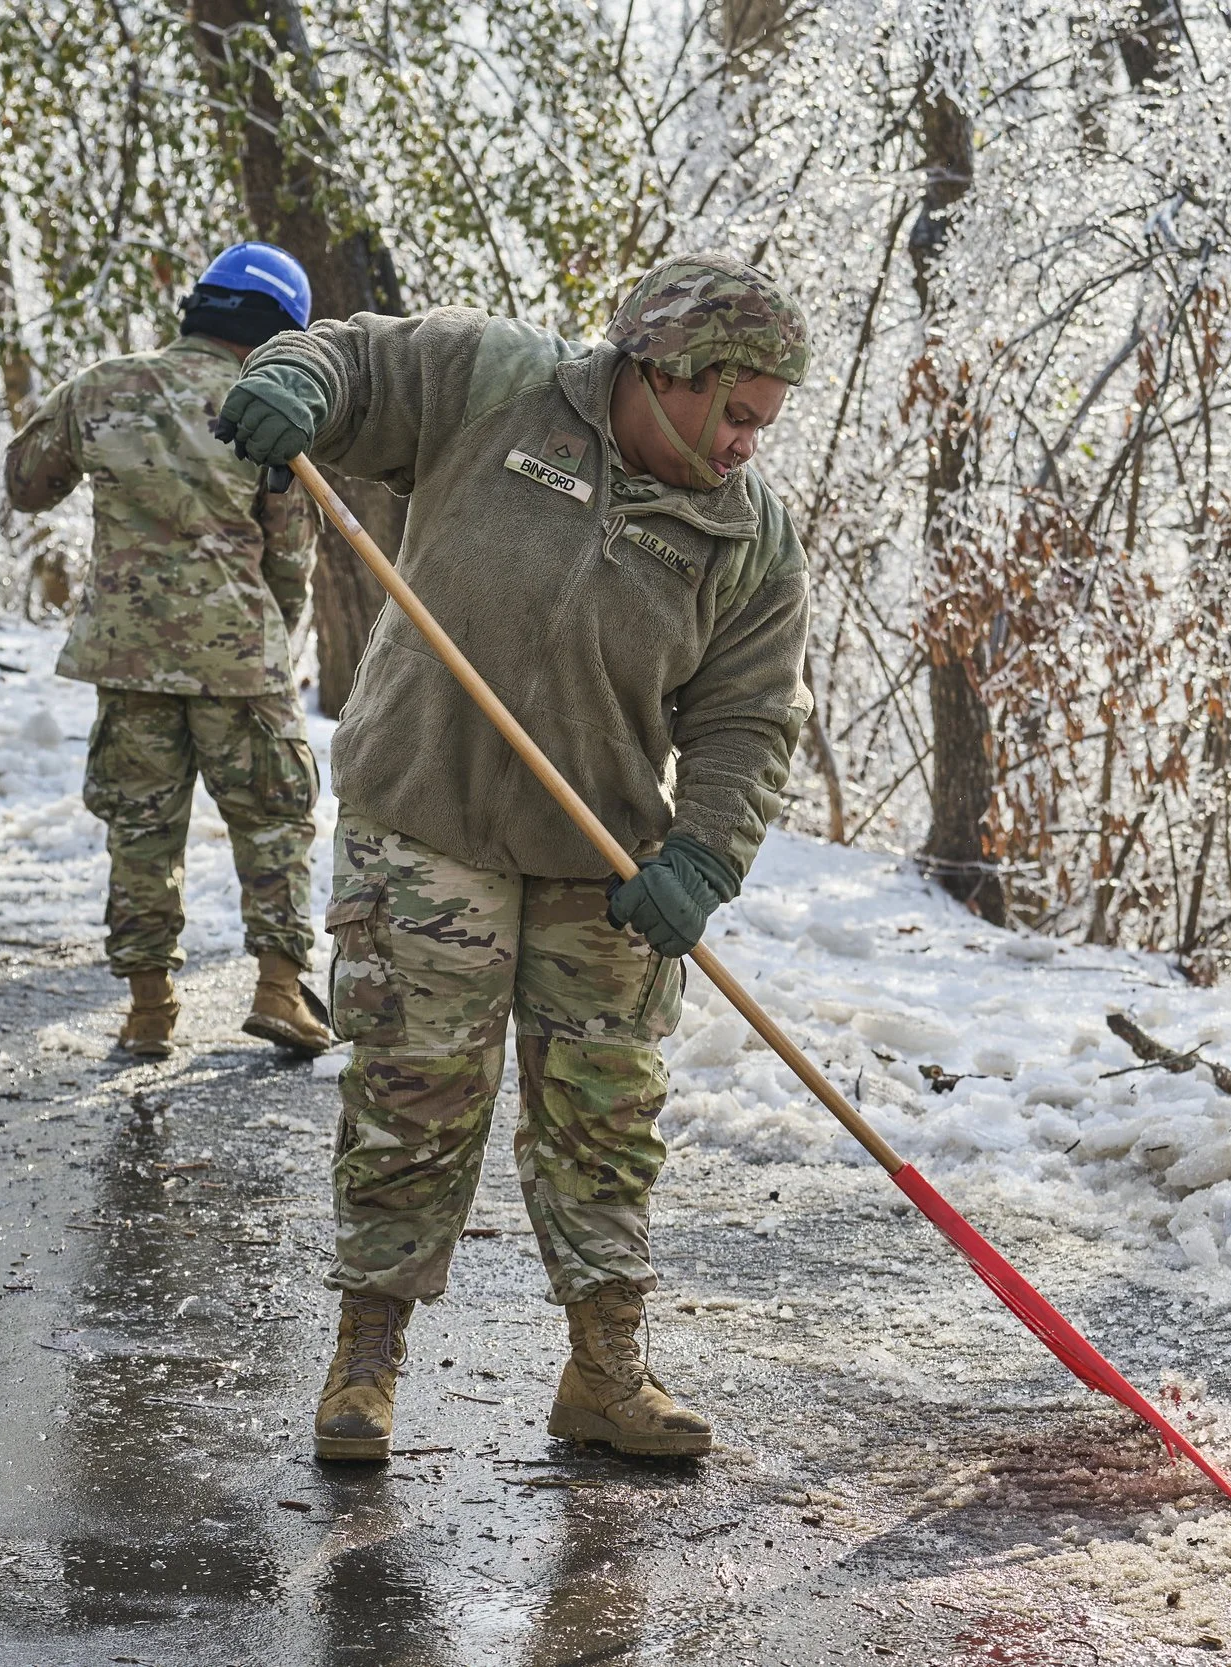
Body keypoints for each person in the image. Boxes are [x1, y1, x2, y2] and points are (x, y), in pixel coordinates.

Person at [216, 253, 811, 1462]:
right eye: (736, 413)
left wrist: (701, 855)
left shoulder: (747, 535)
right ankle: (365, 1360)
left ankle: (605, 1369)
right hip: (425, 819)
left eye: (764, 424)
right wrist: (291, 384)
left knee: (606, 1114)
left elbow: (749, 719)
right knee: (411, 1093)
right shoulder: (496, 384)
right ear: (668, 370)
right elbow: (349, 357)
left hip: (602, 857)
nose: (749, 443)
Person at [6, 241, 336, 1061]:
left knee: (141, 829)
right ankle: (279, 992)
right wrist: (274, 635)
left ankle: (149, 1009)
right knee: (274, 820)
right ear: (277, 335)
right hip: (237, 654)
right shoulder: (264, 413)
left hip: (128, 655)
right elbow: (291, 554)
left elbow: (25, 483)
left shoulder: (103, 388)